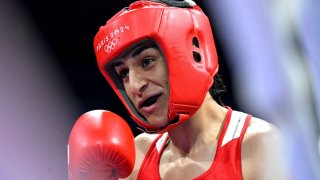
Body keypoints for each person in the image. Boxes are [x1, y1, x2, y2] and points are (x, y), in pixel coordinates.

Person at [68, 0, 287, 179]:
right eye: (124, 73)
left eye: (147, 62)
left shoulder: (258, 146)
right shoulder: (137, 159)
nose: (135, 86)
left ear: (193, 54)